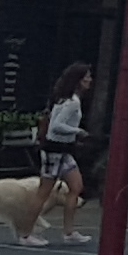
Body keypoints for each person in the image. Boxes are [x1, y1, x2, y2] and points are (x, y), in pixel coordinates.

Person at [37, 64, 95, 244]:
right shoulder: (72, 102)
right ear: (78, 80)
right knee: (44, 193)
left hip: (64, 151)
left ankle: (69, 232)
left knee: (76, 187)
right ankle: (26, 230)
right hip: (55, 150)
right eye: (86, 77)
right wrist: (78, 131)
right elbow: (56, 126)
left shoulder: (66, 99)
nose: (90, 80)